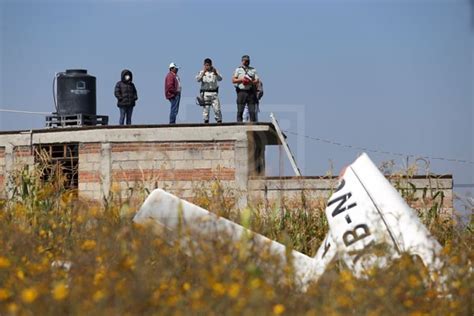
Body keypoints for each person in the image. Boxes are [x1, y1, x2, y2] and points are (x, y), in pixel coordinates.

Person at [232, 55, 260, 122]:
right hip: (241, 92)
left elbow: (257, 80)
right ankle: (239, 125)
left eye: (248, 60)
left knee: (252, 111)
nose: (247, 62)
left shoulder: (253, 69)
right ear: (242, 61)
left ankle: (252, 126)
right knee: (240, 111)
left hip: (250, 92)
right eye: (245, 60)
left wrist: (250, 82)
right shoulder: (238, 69)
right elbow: (233, 80)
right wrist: (242, 80)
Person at [196, 58, 223, 124]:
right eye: (206, 65)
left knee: (217, 109)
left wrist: (216, 73)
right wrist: (203, 73)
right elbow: (198, 79)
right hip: (205, 93)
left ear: (211, 65)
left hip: (214, 93)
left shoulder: (215, 71)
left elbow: (220, 79)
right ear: (204, 65)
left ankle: (219, 121)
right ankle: (206, 122)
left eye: (208, 65)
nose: (207, 66)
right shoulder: (201, 72)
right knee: (206, 109)